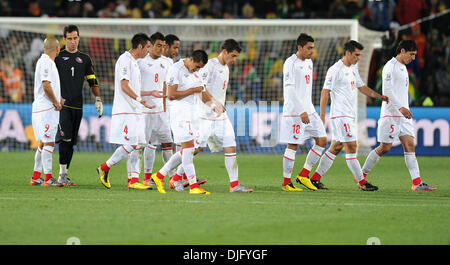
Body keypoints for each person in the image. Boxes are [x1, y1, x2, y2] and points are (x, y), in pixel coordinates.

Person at [175, 39, 254, 193]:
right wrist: (212, 104)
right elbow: (200, 89)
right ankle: (175, 176)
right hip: (204, 115)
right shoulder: (209, 66)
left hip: (220, 116)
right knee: (195, 148)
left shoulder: (226, 68)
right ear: (224, 52)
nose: (234, 60)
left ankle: (234, 185)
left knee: (230, 145)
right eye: (233, 56)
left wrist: (218, 105)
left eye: (236, 57)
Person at [310, 40, 389, 191]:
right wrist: (322, 115)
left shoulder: (353, 69)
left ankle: (314, 179)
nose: (359, 58)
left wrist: (379, 96)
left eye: (360, 55)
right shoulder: (335, 69)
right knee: (352, 146)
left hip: (348, 115)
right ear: (348, 53)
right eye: (356, 55)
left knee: (336, 146)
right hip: (340, 115)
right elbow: (325, 92)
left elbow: (362, 87)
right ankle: (362, 183)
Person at [361, 40, 436, 191]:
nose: (413, 58)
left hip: (403, 116)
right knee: (385, 148)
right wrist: (401, 107)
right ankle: (361, 176)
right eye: (412, 54)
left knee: (409, 146)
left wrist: (404, 108)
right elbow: (387, 92)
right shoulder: (390, 66)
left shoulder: (402, 68)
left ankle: (417, 182)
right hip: (391, 114)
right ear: (402, 51)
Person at [96, 33, 163, 190]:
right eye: (147, 47)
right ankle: (104, 167)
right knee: (132, 143)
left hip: (135, 109)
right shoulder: (125, 60)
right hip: (126, 109)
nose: (148, 51)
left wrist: (147, 94)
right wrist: (139, 100)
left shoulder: (134, 62)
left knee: (139, 144)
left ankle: (133, 180)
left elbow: (134, 88)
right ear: (139, 47)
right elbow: (124, 86)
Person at [151, 50, 211, 195]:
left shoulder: (195, 72)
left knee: (187, 150)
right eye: (196, 66)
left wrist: (214, 104)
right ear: (190, 59)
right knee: (189, 150)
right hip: (179, 115)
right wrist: (193, 90)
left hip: (191, 115)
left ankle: (159, 176)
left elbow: (202, 90)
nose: (196, 70)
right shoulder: (175, 69)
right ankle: (193, 186)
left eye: (199, 68)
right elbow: (171, 95)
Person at [54, 25, 102, 186]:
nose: (73, 41)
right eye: (69, 38)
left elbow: (92, 80)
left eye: (75, 38)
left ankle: (65, 174)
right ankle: (59, 174)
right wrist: (56, 97)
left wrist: (98, 99)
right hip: (62, 106)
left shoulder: (85, 58)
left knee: (72, 142)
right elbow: (49, 78)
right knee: (65, 139)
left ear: (79, 38)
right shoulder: (57, 56)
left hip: (78, 105)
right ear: (64, 39)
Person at [279, 33, 328, 192]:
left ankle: (303, 175)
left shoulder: (309, 62)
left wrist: (310, 110)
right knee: (293, 145)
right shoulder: (290, 63)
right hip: (295, 112)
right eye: (309, 48)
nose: (312, 51)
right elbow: (290, 89)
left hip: (310, 109)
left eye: (313, 48)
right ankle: (286, 183)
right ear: (299, 47)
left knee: (322, 140)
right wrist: (301, 111)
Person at [126, 32, 172, 189]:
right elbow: (132, 86)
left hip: (160, 111)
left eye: (163, 46)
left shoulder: (168, 62)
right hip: (143, 110)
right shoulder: (139, 62)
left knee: (166, 143)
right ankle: (132, 178)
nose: (161, 48)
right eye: (158, 45)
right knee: (139, 145)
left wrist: (165, 109)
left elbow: (166, 85)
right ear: (150, 45)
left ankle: (169, 177)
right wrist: (147, 95)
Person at [29, 37, 64, 187]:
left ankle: (36, 177)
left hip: (43, 107)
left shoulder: (47, 62)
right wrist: (56, 102)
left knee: (43, 143)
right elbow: (46, 86)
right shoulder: (45, 62)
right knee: (49, 142)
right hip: (46, 108)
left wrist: (59, 98)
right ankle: (48, 178)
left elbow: (50, 86)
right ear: (57, 48)